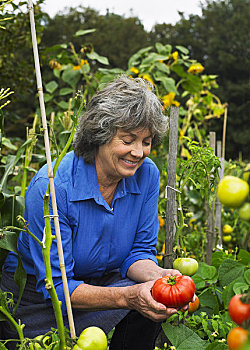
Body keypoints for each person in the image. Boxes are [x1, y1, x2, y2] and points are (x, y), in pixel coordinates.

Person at [1, 75, 186, 350]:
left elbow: (139, 252)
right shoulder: (53, 188)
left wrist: (160, 277)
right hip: (35, 299)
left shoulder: (146, 176)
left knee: (150, 301)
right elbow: (57, 288)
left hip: (99, 283)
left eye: (146, 141)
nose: (139, 152)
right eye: (128, 140)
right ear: (100, 135)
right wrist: (128, 296)